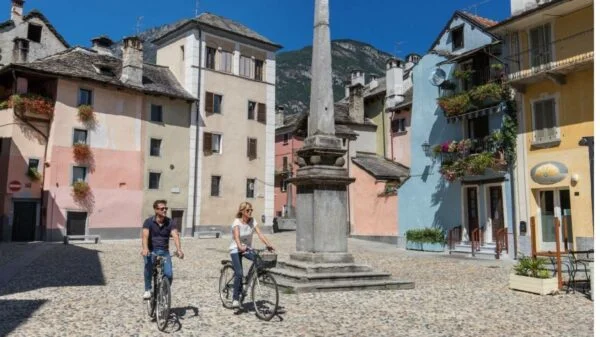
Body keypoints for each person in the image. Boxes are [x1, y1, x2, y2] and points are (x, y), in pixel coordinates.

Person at [229, 201, 274, 308]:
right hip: (236, 248)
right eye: (248, 210)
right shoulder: (236, 222)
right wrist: (240, 247)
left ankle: (248, 279)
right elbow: (236, 237)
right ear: (242, 211)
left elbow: (260, 234)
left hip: (247, 248)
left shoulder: (252, 221)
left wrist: (268, 244)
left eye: (251, 210)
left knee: (258, 259)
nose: (250, 212)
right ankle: (235, 298)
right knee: (239, 273)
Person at [141, 200, 184, 299]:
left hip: (164, 251)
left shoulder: (170, 222)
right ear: (156, 210)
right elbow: (145, 236)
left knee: (169, 274)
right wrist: (145, 249)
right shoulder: (148, 222)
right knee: (148, 268)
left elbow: (175, 235)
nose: (164, 210)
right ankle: (148, 289)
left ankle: (163, 291)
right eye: (162, 208)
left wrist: (179, 249)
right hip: (151, 251)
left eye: (166, 208)